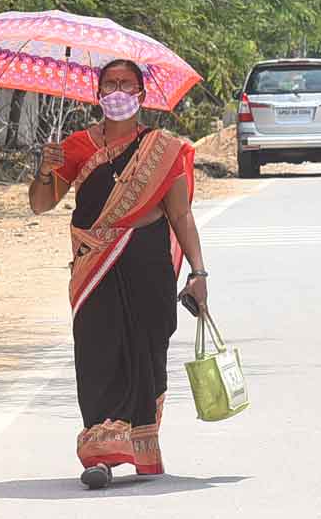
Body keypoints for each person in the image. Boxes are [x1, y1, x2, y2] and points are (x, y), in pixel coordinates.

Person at [30, 59, 206, 489]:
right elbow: (40, 204)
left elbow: (180, 214)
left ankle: (140, 446)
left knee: (148, 351)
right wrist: (45, 170)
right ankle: (100, 454)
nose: (118, 92)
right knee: (97, 351)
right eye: (110, 84)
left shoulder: (164, 149)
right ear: (98, 94)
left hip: (148, 263)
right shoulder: (75, 147)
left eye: (127, 84)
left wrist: (198, 271)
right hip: (94, 265)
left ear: (142, 95)